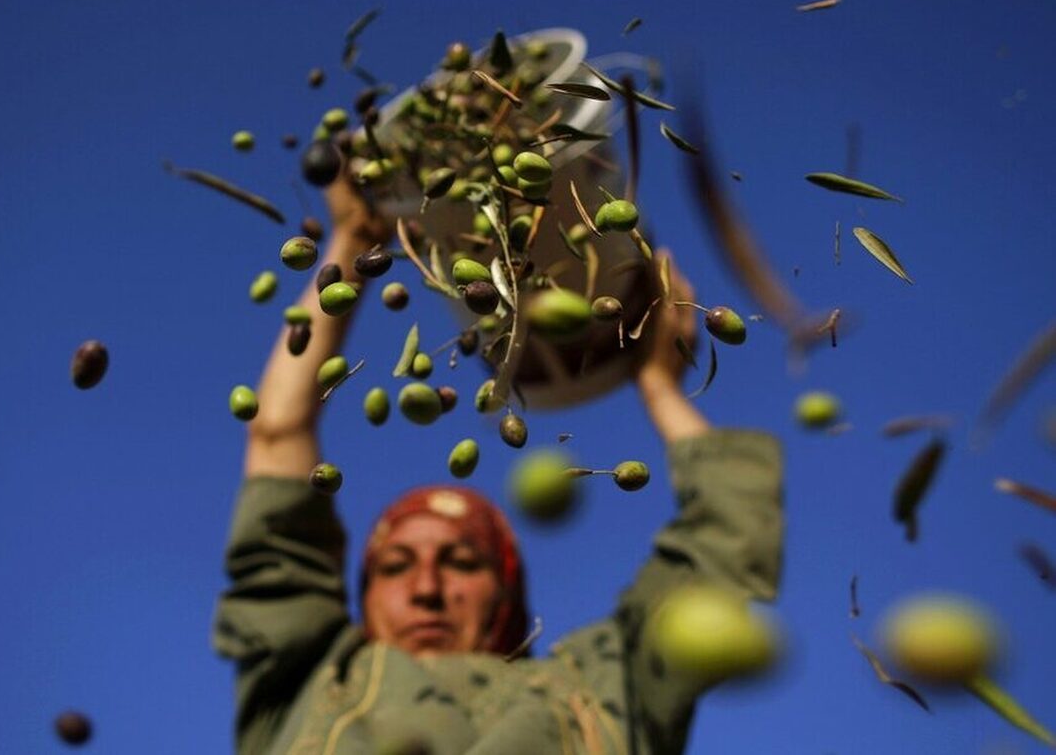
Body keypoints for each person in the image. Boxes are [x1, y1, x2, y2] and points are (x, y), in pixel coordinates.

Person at [213, 174, 784, 755]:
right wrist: (353, 242)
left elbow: (722, 550)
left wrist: (661, 387)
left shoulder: (601, 685)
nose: (427, 590)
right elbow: (276, 437)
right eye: (396, 566)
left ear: (508, 587)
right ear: (363, 591)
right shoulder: (313, 677)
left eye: (462, 561)